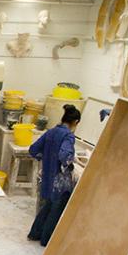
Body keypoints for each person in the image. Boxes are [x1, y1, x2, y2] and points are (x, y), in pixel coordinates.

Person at [28, 105, 81, 245]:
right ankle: (46, 240)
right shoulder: (68, 136)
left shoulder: (51, 132)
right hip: (60, 180)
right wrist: (69, 163)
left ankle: (35, 234)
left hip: (47, 177)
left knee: (48, 205)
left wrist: (45, 158)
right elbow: (64, 155)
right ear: (75, 122)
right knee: (56, 209)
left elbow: (33, 150)